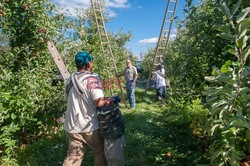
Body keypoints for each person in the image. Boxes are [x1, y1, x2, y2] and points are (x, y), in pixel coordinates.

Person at [63, 51, 125, 166]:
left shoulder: (70, 79)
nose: (92, 63)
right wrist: (113, 99)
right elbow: (100, 102)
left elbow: (67, 100)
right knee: (100, 152)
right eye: (91, 61)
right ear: (88, 64)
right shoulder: (92, 78)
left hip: (72, 125)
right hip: (89, 126)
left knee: (73, 156)